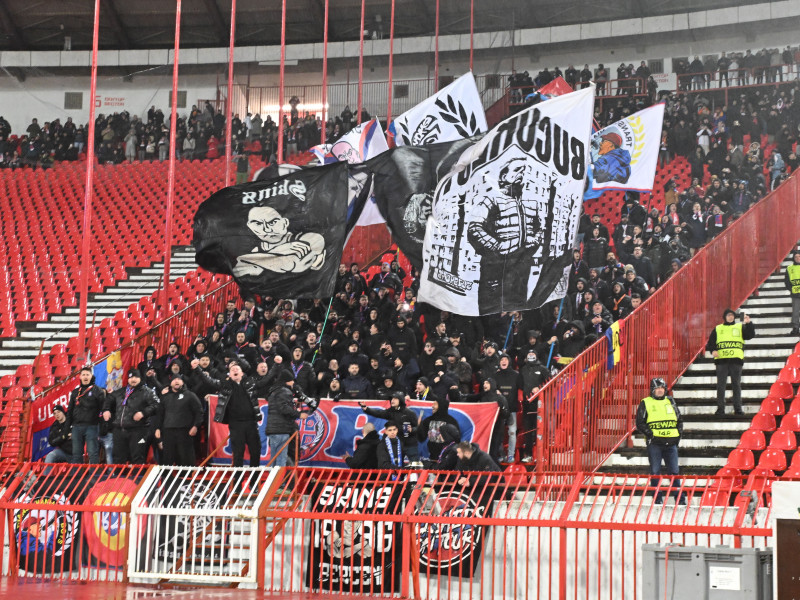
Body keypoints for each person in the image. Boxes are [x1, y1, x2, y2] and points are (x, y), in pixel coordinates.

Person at [467, 159, 544, 312]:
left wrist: (534, 240)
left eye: (524, 171)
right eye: (517, 170)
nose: (521, 174)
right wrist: (496, 246)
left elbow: (540, 229)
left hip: (521, 266)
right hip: (495, 265)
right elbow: (474, 227)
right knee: (492, 308)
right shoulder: (492, 199)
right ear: (503, 177)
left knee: (517, 306)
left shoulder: (531, 204)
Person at [191, 359, 272, 467]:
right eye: (232, 369)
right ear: (229, 374)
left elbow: (265, 381)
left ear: (242, 373)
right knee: (238, 452)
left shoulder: (250, 383)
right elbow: (209, 380)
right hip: (235, 424)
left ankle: (254, 479)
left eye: (237, 369)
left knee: (256, 450)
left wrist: (276, 365)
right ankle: (237, 481)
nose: (234, 370)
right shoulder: (225, 384)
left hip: (251, 423)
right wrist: (197, 369)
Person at [233, 205, 326, 277]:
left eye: (273, 222)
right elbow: (238, 271)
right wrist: (284, 249)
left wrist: (251, 260)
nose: (266, 229)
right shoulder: (253, 248)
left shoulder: (302, 237)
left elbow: (291, 262)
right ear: (250, 227)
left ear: (285, 222)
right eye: (258, 224)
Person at [635, 378, 685, 504]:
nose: (660, 390)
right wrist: (651, 435)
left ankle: (680, 499)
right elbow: (640, 423)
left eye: (662, 388)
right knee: (655, 471)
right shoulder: (645, 402)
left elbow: (679, 420)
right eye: (657, 388)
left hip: (671, 443)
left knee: (674, 472)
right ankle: (657, 499)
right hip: (655, 444)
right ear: (652, 390)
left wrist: (677, 437)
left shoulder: (671, 401)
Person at [102, 369, 159, 464]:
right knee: (118, 457)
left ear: (140, 378)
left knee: (137, 457)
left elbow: (156, 405)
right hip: (119, 429)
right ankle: (119, 478)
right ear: (128, 379)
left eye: (136, 377)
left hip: (138, 430)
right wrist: (106, 410)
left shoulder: (147, 391)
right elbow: (109, 399)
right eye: (131, 377)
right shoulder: (121, 391)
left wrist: (143, 413)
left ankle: (137, 478)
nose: (134, 379)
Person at [705, 308, 755, 416]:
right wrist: (713, 350)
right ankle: (720, 409)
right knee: (721, 386)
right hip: (721, 361)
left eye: (732, 315)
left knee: (736, 385)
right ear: (724, 317)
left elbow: (750, 335)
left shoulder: (740, 326)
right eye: (728, 315)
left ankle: (738, 409)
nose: (730, 317)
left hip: (736, 361)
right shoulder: (718, 328)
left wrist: (749, 323)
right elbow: (711, 342)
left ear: (735, 317)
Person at [156, 375, 204, 466]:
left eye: (179, 379)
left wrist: (195, 426)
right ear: (170, 383)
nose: (176, 381)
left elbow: (199, 412)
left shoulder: (190, 395)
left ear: (182, 382)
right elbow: (160, 414)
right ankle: (167, 478)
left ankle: (187, 478)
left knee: (185, 456)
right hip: (168, 431)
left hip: (185, 431)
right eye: (174, 379)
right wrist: (158, 428)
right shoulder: (165, 397)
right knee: (167, 457)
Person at [360, 391, 420, 461]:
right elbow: (379, 413)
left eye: (395, 399)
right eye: (391, 399)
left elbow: (419, 428)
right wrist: (366, 409)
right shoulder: (391, 412)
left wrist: (412, 429)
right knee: (398, 467)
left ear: (400, 400)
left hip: (410, 445)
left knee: (415, 466)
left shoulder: (410, 413)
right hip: (398, 445)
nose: (392, 400)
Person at [266, 370, 308, 467]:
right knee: (281, 460)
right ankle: (282, 482)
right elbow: (284, 408)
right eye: (291, 380)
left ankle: (275, 481)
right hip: (282, 428)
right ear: (286, 381)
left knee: (275, 458)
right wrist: (298, 414)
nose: (293, 382)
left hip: (274, 428)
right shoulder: (284, 391)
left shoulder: (274, 391)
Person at [66, 366, 104, 464]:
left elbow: (103, 409)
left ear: (91, 376)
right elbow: (70, 410)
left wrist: (102, 425)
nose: (85, 377)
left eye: (87, 374)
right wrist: (67, 428)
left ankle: (94, 477)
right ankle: (77, 477)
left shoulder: (98, 391)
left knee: (92, 453)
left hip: (92, 426)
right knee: (76, 454)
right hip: (76, 427)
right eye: (83, 375)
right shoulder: (75, 392)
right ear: (80, 377)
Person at [417, 397, 461, 461]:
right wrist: (419, 426)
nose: (432, 406)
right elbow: (421, 438)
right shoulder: (428, 420)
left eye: (435, 404)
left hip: (447, 458)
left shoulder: (451, 421)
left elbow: (457, 440)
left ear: (441, 406)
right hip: (432, 457)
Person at [785, 250, 800, 335]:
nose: (798, 258)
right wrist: (791, 289)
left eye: (799, 256)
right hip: (795, 294)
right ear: (793, 258)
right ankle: (795, 328)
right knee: (795, 311)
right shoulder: (789, 268)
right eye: (796, 257)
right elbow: (786, 281)